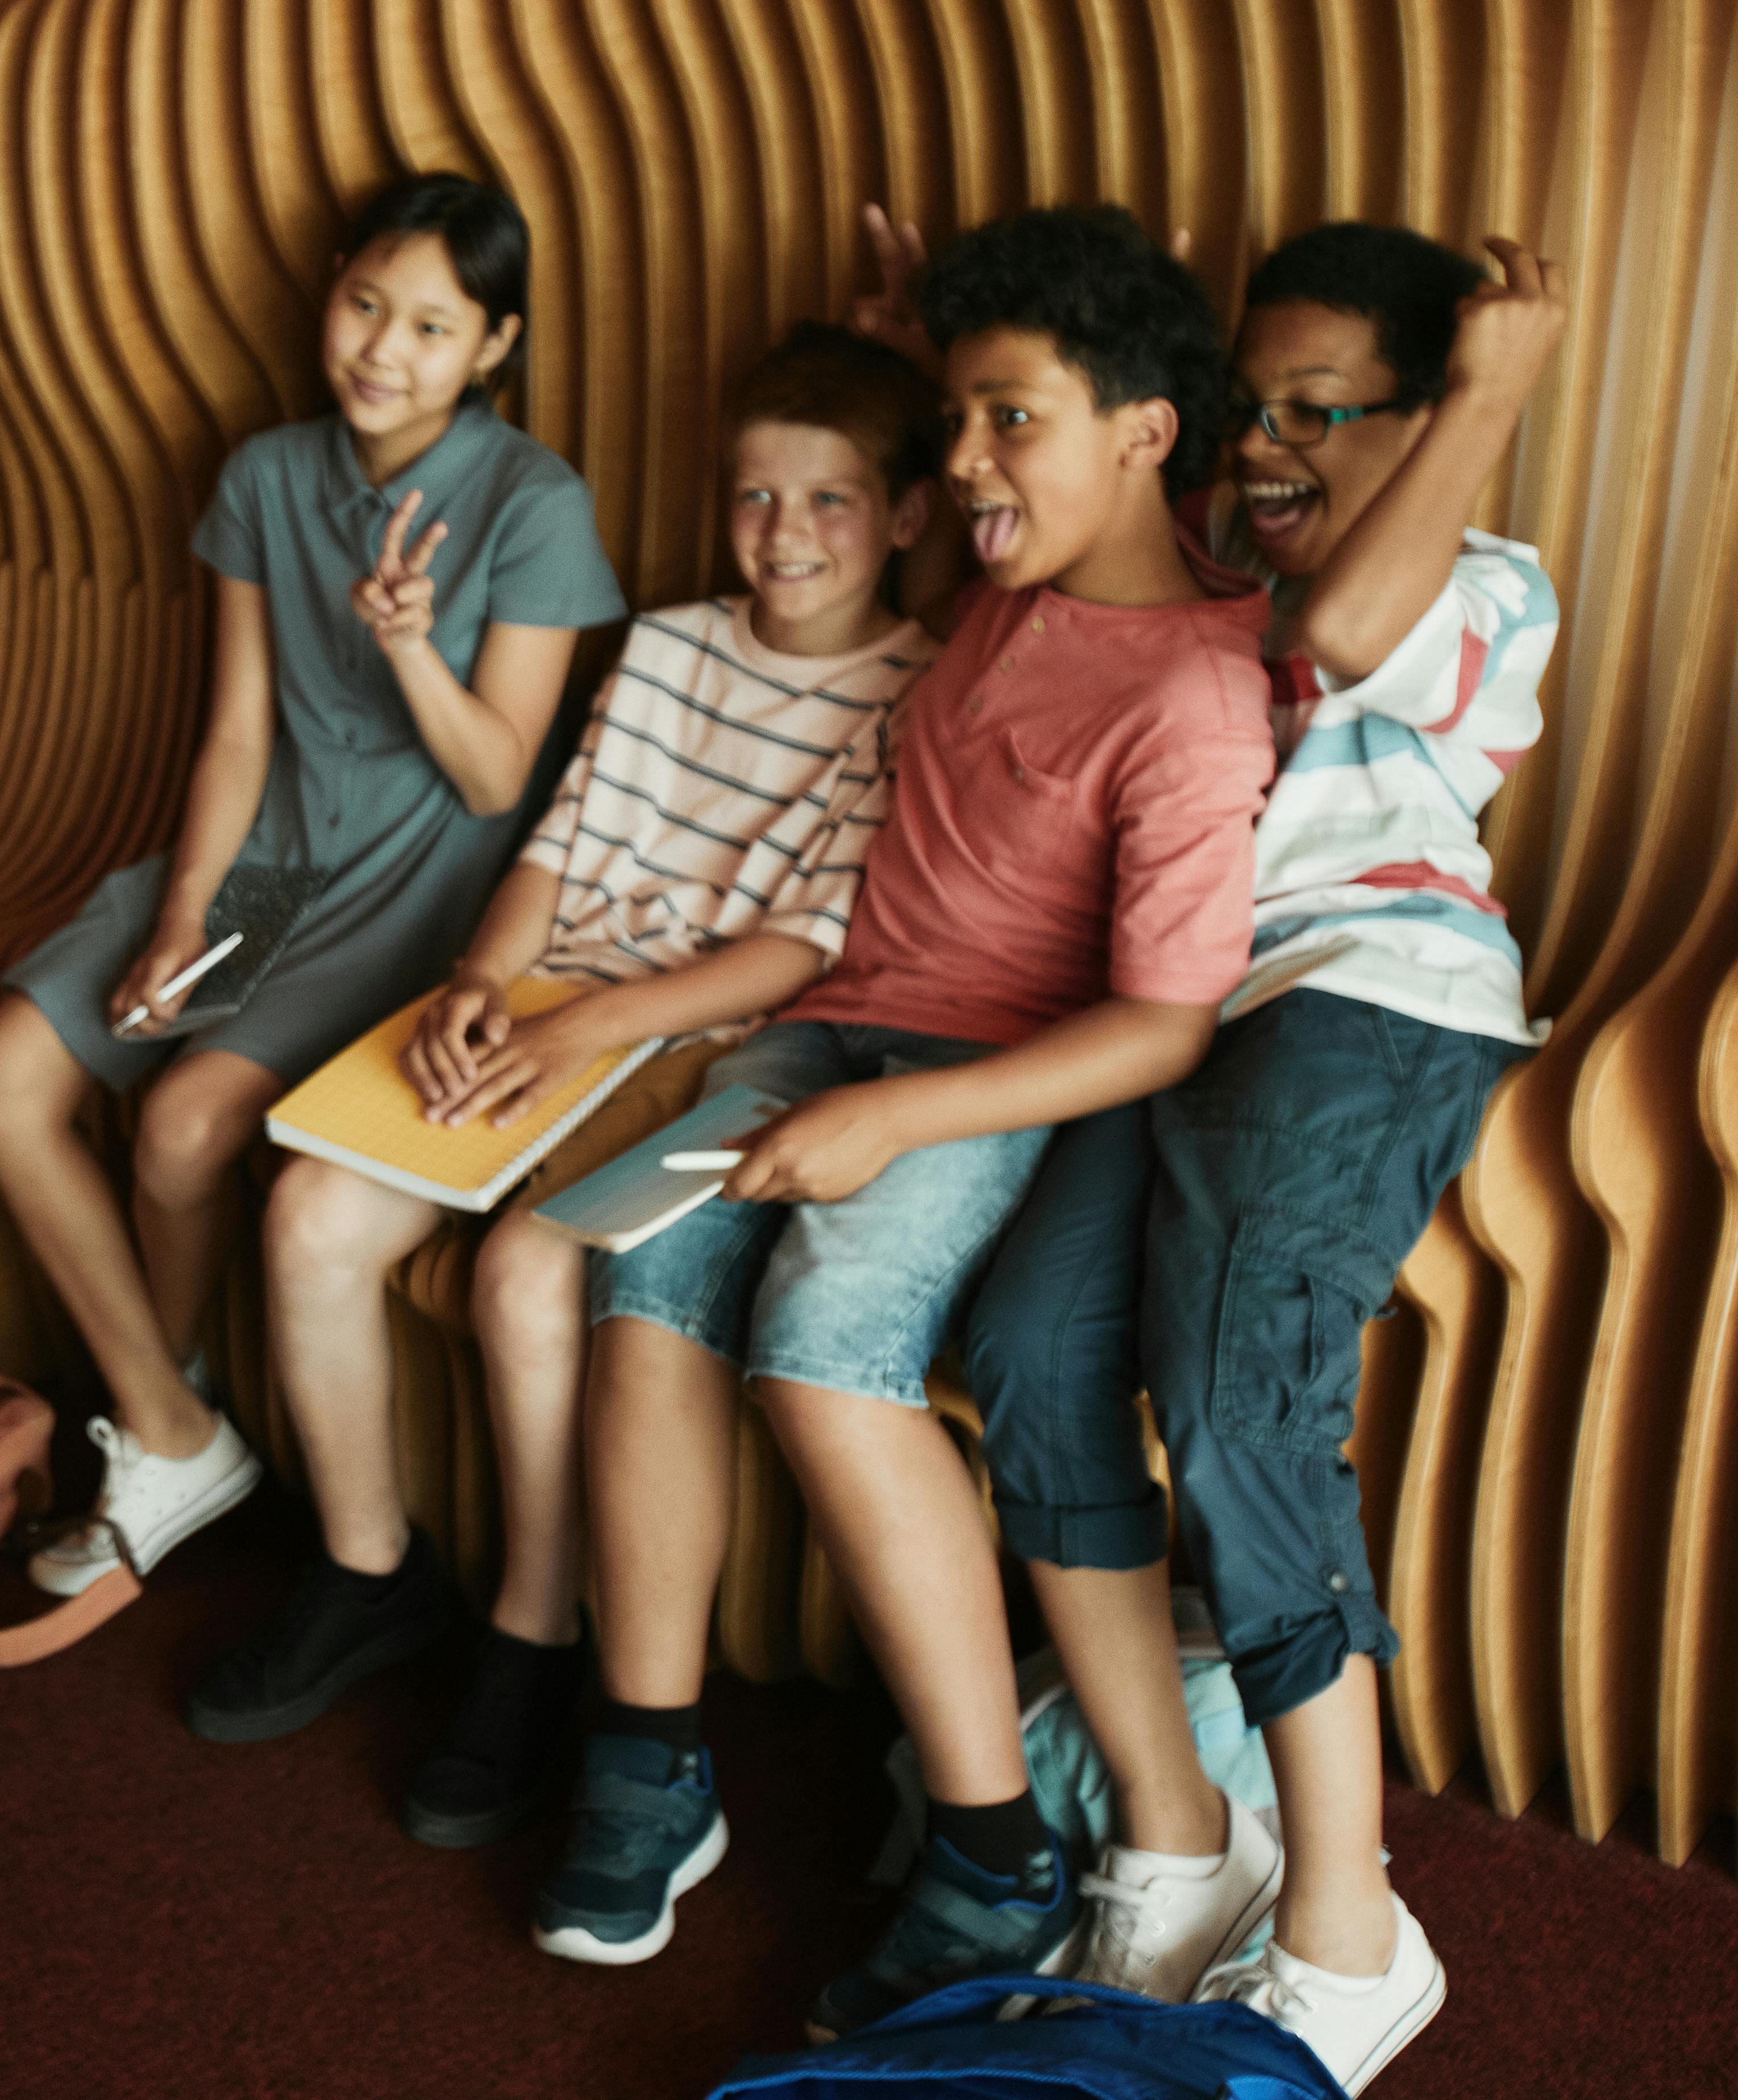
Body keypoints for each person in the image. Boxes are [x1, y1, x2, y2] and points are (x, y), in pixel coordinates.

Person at [544, 206, 1275, 2033]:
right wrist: (926, 357)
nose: (960, 464)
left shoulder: (1192, 685)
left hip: (981, 1073)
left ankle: (990, 1842)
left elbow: (1167, 1025)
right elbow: (981, 475)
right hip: (825, 1027)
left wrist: (906, 1123)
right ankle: (649, 1762)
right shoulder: (1008, 580)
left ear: (1147, 433)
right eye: (952, 423)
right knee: (634, 1291)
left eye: (1004, 420)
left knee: (818, 1351)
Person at [181, 328, 942, 1865]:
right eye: (753, 497)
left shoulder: (916, 687)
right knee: (315, 1210)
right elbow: (555, 844)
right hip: (552, 994)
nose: (783, 536)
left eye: (831, 502)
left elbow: (803, 941)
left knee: (535, 1280)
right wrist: (478, 982)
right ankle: (365, 1566)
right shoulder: (668, 644)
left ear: (905, 515)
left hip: (712, 1038)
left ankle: (532, 1640)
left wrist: (592, 1026)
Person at [962, 225, 1566, 2091]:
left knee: (1237, 1406)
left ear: (1430, 420)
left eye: (1327, 409)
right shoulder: (1214, 579)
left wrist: (1487, 399)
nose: (1273, 445)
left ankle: (1347, 1930)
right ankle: (1173, 1837)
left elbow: (1347, 634)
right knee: (1033, 1359)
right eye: (1255, 411)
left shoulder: (1483, 580)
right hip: (1175, 1017)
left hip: (1368, 1002)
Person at [0, 172, 625, 1598]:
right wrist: (187, 915)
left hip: (421, 895)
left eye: (433, 327)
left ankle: (158, 1432)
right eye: (367, 303)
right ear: (330, 288)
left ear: (493, 347)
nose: (385, 347)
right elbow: (239, 729)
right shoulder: (266, 475)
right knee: (0, 1075)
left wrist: (412, 646)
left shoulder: (532, 500)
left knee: (187, 1119)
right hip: (264, 876)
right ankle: (176, 1423)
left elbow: (500, 776)